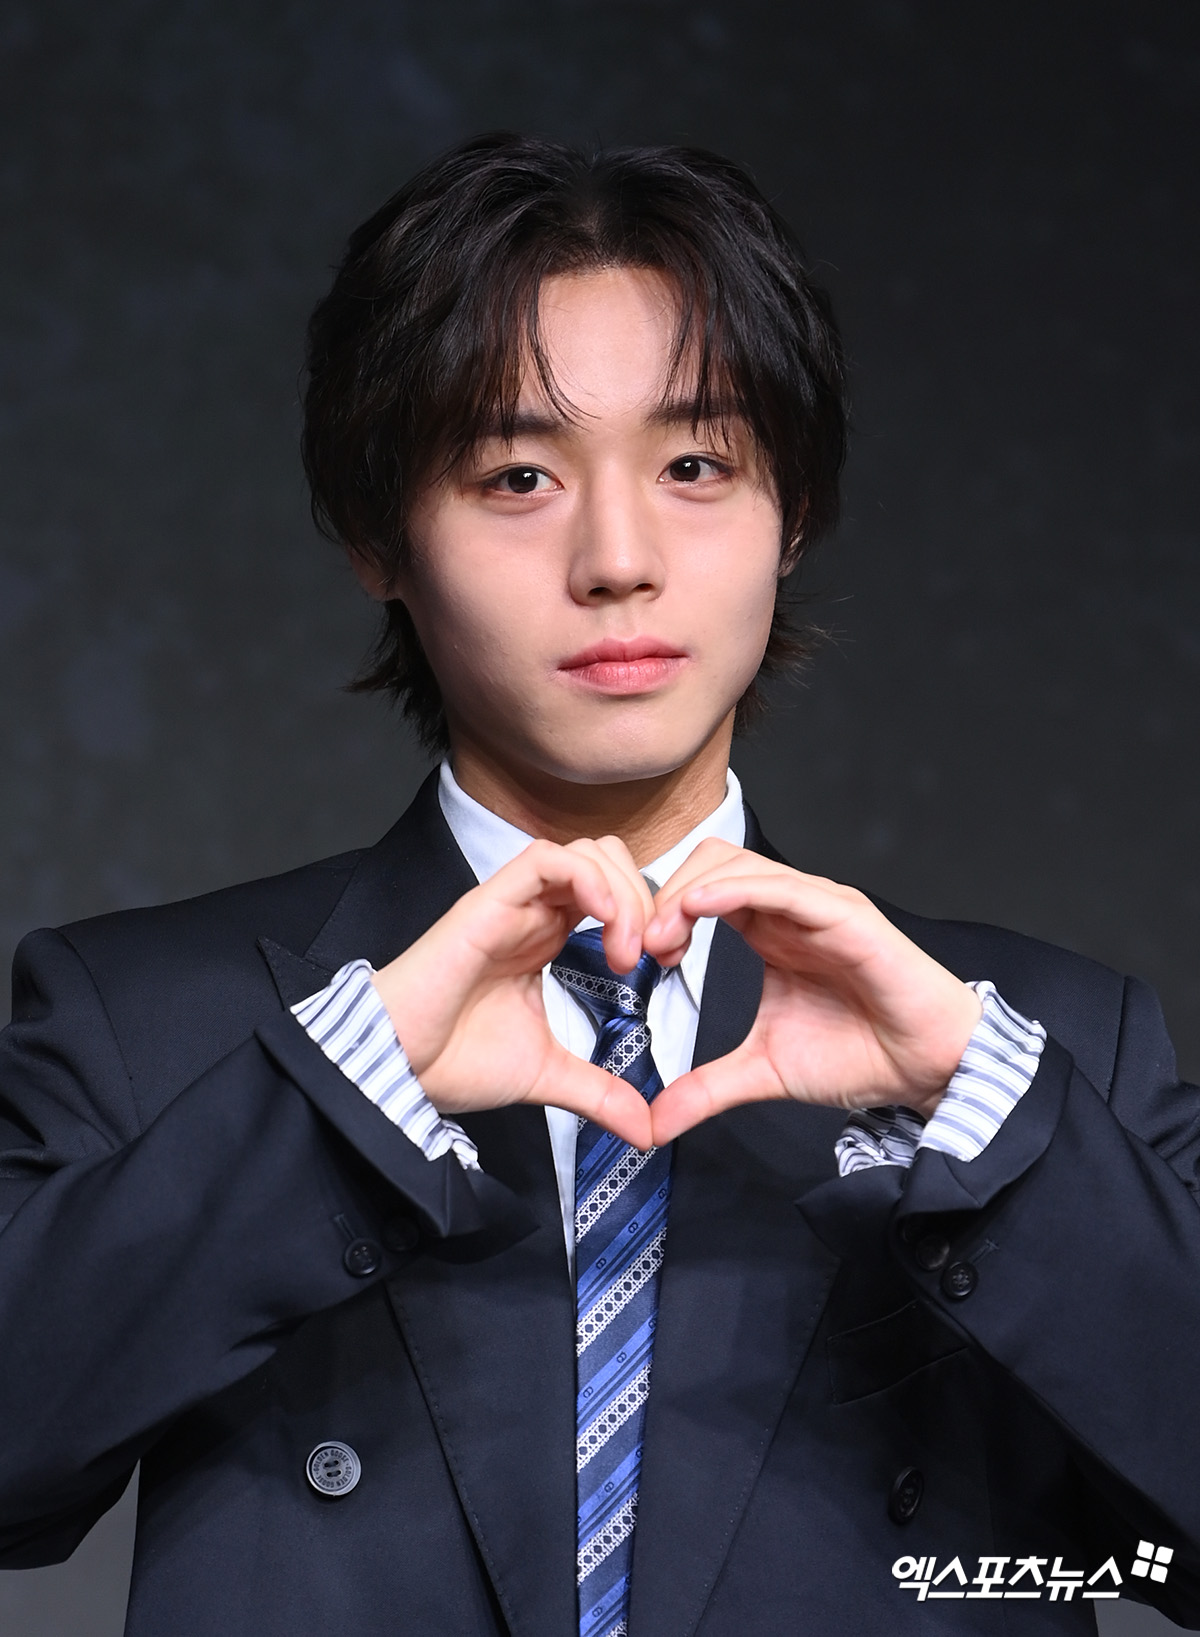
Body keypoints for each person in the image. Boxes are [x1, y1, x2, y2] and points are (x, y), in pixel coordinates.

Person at [0, 133, 1197, 1637]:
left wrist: (991, 1116)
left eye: (697, 466)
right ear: (377, 536)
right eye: (517, 476)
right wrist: (340, 1095)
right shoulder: (144, 1023)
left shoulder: (1044, 1049)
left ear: (795, 509)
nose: (618, 559)